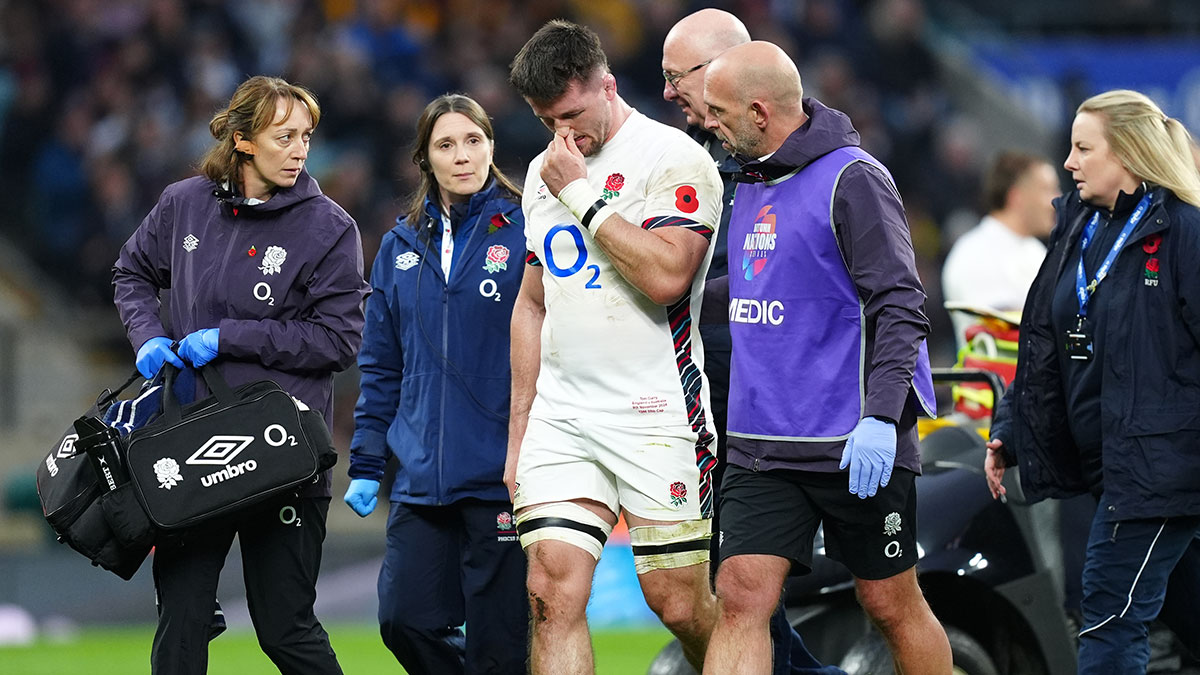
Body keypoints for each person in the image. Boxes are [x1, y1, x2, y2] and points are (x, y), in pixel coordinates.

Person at [700, 42, 950, 674]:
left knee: (890, 603)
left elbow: (899, 304)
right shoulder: (749, 177)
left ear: (759, 111)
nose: (709, 123)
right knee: (739, 599)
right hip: (761, 443)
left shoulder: (853, 178)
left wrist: (881, 419)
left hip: (851, 438)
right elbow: (772, 283)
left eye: (719, 111)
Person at [112, 75, 368, 675]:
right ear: (243, 139)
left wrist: (230, 336)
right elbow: (131, 273)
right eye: (285, 136)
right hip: (193, 447)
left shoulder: (330, 228)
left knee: (285, 629)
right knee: (182, 624)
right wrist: (147, 335)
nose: (301, 148)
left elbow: (339, 339)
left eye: (306, 135)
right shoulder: (183, 203)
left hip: (284, 453)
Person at [506, 19, 723, 674]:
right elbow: (532, 301)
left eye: (572, 114)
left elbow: (665, 277)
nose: (562, 136)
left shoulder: (674, 158)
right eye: (547, 121)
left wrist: (580, 192)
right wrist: (519, 431)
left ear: (608, 85)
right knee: (550, 591)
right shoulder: (542, 172)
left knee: (678, 602)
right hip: (563, 415)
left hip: (655, 409)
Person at [985, 89, 1200, 673]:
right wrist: (1012, 427)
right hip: (1110, 465)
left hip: (1159, 471)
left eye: (1084, 148)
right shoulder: (1079, 230)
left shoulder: (1184, 233)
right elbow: (1044, 345)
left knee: (1107, 614)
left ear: (1128, 154)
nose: (1069, 162)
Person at [662, 9, 843, 675]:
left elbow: (874, 292)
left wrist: (668, 286)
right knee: (730, 597)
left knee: (882, 595)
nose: (668, 92)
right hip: (706, 407)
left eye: (675, 76)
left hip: (785, 416)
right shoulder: (698, 159)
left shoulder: (807, 162)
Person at [343, 93, 528, 675]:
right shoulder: (399, 247)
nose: (462, 156)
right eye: (446, 145)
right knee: (403, 621)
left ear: (491, 147)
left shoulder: (528, 228)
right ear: (424, 158)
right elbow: (379, 365)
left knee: (498, 649)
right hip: (420, 478)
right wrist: (368, 461)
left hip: (502, 475)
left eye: (473, 141)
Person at [942, 151, 1059, 347]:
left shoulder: (1036, 251)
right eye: (1047, 190)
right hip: (998, 376)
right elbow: (1002, 330)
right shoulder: (974, 253)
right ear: (1017, 197)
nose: (1057, 201)